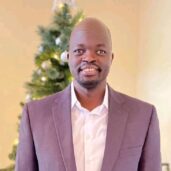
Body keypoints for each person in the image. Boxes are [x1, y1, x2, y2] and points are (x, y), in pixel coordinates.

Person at [15, 17, 161, 171]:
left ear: (111, 58)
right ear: (69, 57)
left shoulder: (143, 116)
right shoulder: (35, 115)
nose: (89, 58)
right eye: (79, 51)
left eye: (100, 51)